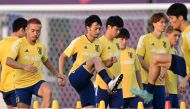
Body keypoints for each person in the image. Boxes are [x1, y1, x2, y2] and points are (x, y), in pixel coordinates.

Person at [131, 3, 190, 104]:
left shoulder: (188, 34)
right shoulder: (185, 34)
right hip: (186, 67)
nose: (169, 22)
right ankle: (148, 93)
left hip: (187, 72)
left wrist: (185, 79)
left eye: (171, 18)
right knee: (156, 59)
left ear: (180, 18)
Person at [59, 15, 121, 107]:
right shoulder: (78, 41)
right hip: (75, 76)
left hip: (87, 81)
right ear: (88, 28)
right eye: (96, 29)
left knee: (90, 106)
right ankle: (109, 83)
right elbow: (62, 57)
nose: (98, 31)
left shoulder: (99, 44)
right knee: (96, 58)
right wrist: (60, 76)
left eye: (100, 29)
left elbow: (102, 64)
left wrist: (110, 62)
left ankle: (110, 83)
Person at [6, 18, 66, 108]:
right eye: (33, 31)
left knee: (48, 92)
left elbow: (45, 60)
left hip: (37, 82)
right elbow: (8, 61)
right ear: (26, 30)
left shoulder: (41, 46)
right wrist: (24, 67)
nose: (35, 34)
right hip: (21, 85)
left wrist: (57, 74)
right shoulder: (18, 43)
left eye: (38, 31)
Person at [135, 12, 170, 109]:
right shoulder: (144, 38)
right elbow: (139, 58)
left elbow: (168, 60)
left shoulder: (166, 41)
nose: (164, 25)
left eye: (165, 23)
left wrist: (163, 71)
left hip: (160, 84)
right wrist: (152, 71)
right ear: (154, 23)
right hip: (146, 82)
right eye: (161, 22)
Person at [96, 16, 124, 108]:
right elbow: (96, 65)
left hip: (117, 86)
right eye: (116, 29)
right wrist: (108, 61)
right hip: (103, 86)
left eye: (120, 30)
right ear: (109, 27)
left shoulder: (117, 42)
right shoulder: (99, 42)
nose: (118, 32)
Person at [0, 17, 27, 108]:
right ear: (22, 30)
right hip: (17, 86)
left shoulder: (2, 43)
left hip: (5, 87)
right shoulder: (22, 44)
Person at [117, 28, 143, 108]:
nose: (124, 41)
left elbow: (137, 72)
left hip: (135, 93)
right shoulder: (113, 53)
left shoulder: (132, 51)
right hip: (120, 93)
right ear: (115, 39)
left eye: (126, 39)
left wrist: (141, 89)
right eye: (122, 39)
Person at [165, 25, 181, 108]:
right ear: (168, 34)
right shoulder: (163, 50)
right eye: (175, 35)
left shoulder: (174, 51)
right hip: (166, 92)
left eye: (178, 36)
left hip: (174, 91)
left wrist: (177, 86)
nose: (177, 38)